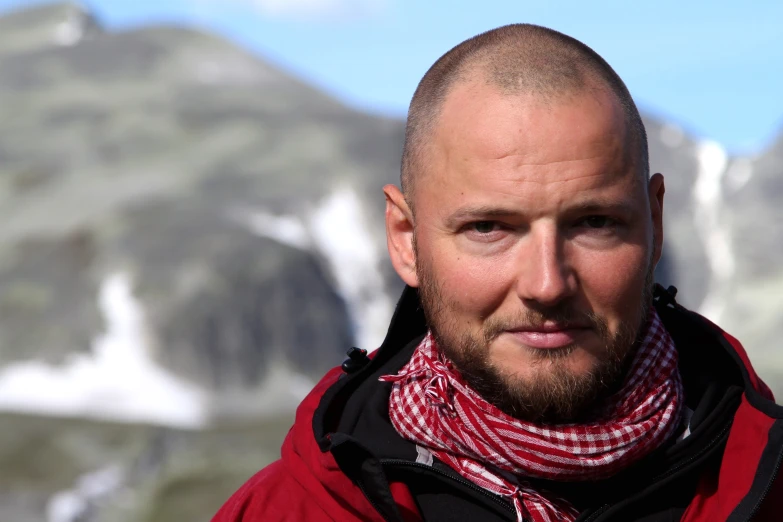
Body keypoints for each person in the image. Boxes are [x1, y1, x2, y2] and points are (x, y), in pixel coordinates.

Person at [212, 24, 783, 522]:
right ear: (406, 240)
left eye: (593, 222)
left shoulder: (768, 481)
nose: (546, 284)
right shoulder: (291, 511)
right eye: (489, 228)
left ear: (655, 223)